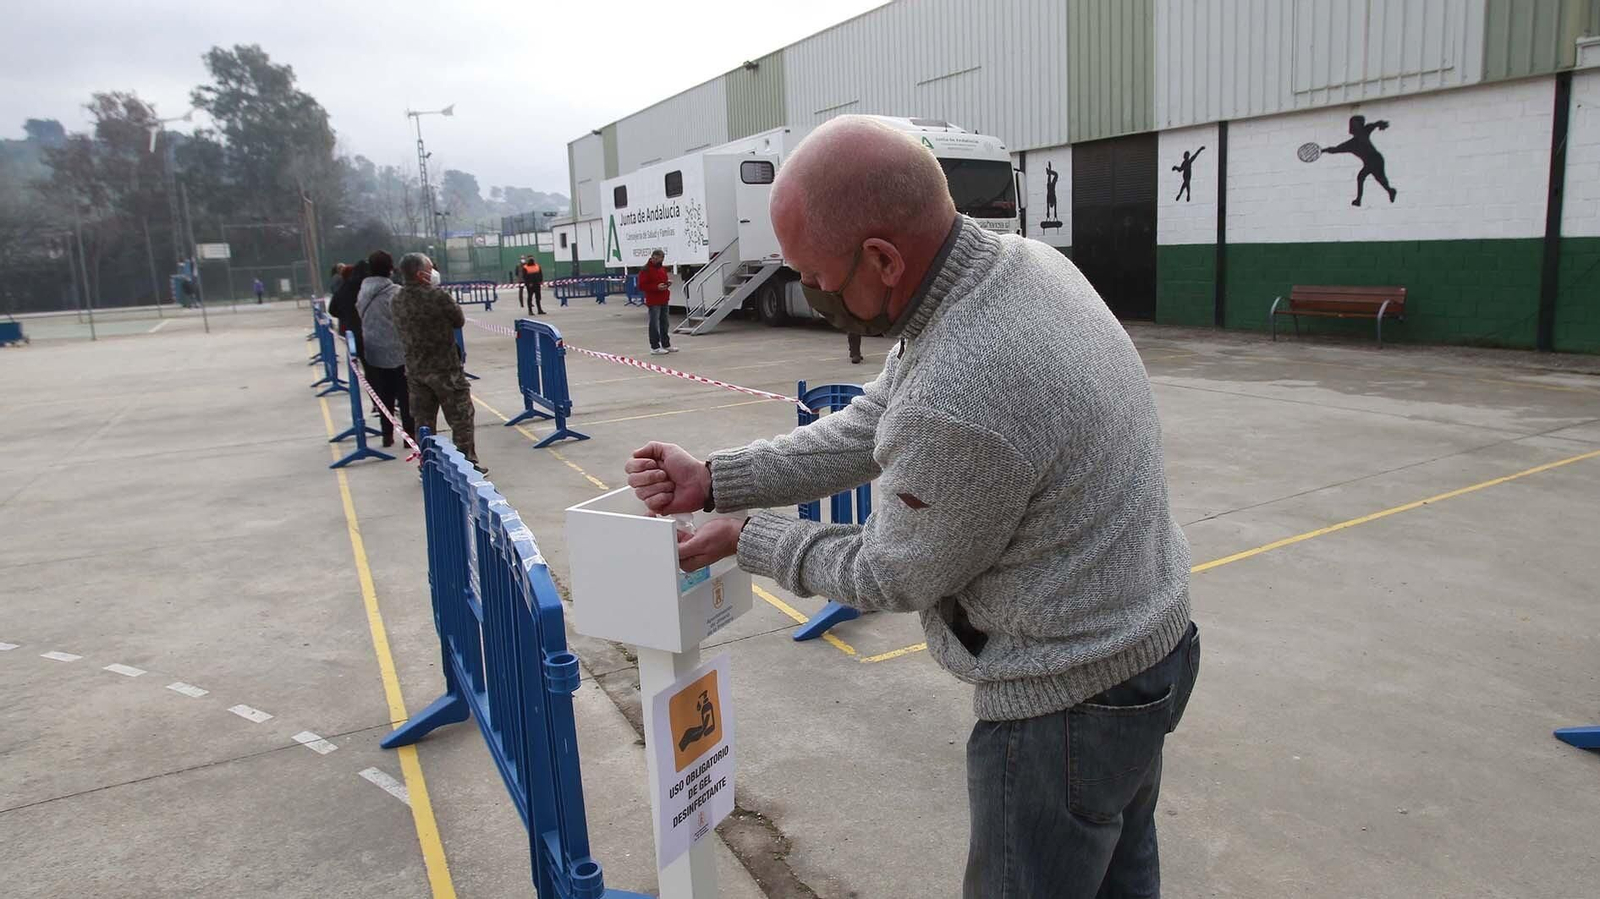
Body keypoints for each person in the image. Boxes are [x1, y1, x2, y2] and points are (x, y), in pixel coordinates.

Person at [624, 115, 1198, 899]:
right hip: (1146, 646)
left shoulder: (965, 384)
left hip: (1069, 706)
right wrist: (718, 478)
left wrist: (746, 536)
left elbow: (891, 572)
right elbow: (875, 418)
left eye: (817, 278)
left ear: (884, 259)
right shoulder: (1016, 266)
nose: (814, 294)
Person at [393, 252, 484, 474]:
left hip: (416, 369)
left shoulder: (396, 300)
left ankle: (428, 465)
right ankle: (466, 464)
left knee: (423, 421)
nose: (433, 272)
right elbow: (458, 320)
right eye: (429, 269)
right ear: (420, 274)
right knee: (461, 418)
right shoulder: (437, 296)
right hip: (445, 368)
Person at [356, 251, 415, 448]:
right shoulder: (395, 292)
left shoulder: (363, 291)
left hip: (373, 349)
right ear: (390, 269)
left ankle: (387, 434)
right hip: (398, 349)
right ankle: (410, 435)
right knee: (405, 395)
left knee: (383, 394)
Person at [1323, 115, 1397, 207]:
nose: (1352, 127)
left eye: (1354, 125)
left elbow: (1375, 124)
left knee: (1372, 178)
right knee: (1369, 178)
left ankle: (1361, 199)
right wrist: (1324, 150)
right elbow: (1335, 149)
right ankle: (1389, 191)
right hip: (1371, 161)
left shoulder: (1361, 134)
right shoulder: (1352, 143)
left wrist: (1381, 124)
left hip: (1375, 159)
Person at [637, 249, 677, 355]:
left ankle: (666, 344)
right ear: (653, 258)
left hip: (663, 298)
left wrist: (666, 283)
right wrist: (656, 287)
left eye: (661, 259)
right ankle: (654, 347)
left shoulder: (661, 269)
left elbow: (661, 280)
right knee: (654, 323)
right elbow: (641, 286)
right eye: (658, 259)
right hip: (653, 300)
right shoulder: (645, 270)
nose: (660, 261)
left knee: (665, 323)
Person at [327, 260, 368, 360]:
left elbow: (332, 309)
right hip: (362, 328)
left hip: (348, 324)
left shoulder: (341, 290)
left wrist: (343, 315)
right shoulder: (360, 289)